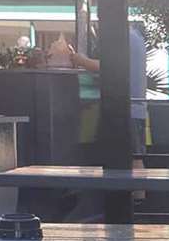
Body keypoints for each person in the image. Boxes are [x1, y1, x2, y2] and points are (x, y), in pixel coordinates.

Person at [51, 23, 149, 154]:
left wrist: (80, 60)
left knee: (130, 159)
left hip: (125, 110)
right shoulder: (134, 37)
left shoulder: (124, 39)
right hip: (132, 108)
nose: (97, 27)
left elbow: (108, 67)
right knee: (131, 158)